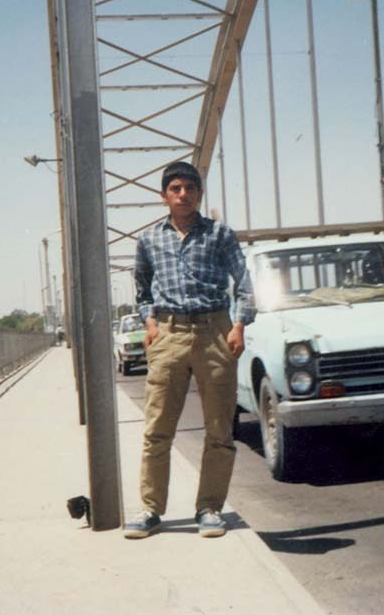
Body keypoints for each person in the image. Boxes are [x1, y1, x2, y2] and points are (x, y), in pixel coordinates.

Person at [123, 161, 254, 540]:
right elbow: (143, 289)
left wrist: (239, 325)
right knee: (157, 428)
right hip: (169, 333)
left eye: (190, 188)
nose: (184, 194)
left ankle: (209, 509)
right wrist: (150, 323)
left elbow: (244, 282)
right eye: (176, 188)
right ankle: (150, 509)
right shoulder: (149, 240)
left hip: (215, 332)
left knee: (219, 429)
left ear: (199, 193)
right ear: (164, 196)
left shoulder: (219, 234)